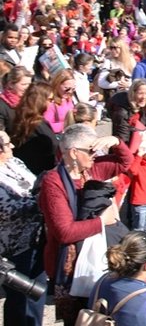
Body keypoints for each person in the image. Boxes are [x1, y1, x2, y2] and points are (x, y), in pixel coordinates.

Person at [38, 124, 133, 326]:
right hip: (70, 268)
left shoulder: (92, 169)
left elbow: (125, 163)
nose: (95, 154)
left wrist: (116, 142)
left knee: (102, 314)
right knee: (80, 320)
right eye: (90, 150)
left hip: (98, 259)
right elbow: (64, 232)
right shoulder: (53, 182)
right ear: (73, 152)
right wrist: (101, 222)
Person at [0, 129, 46, 326]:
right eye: (7, 144)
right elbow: (9, 208)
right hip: (14, 247)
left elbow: (36, 182)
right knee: (19, 299)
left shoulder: (16, 162)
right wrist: (43, 198)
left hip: (37, 237)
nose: (12, 146)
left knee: (37, 293)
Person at [9, 81, 58, 175]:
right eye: (50, 100)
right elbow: (53, 147)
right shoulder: (38, 125)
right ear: (40, 100)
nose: (52, 104)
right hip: (38, 172)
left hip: (26, 170)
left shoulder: (20, 118)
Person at [43, 69, 77, 135]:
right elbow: (46, 126)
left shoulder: (68, 98)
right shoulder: (50, 102)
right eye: (67, 88)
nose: (70, 91)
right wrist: (67, 124)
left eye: (73, 89)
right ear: (57, 84)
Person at [0, 66, 33, 132]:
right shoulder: (2, 105)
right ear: (11, 84)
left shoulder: (31, 100)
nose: (27, 88)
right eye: (24, 84)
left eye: (29, 84)